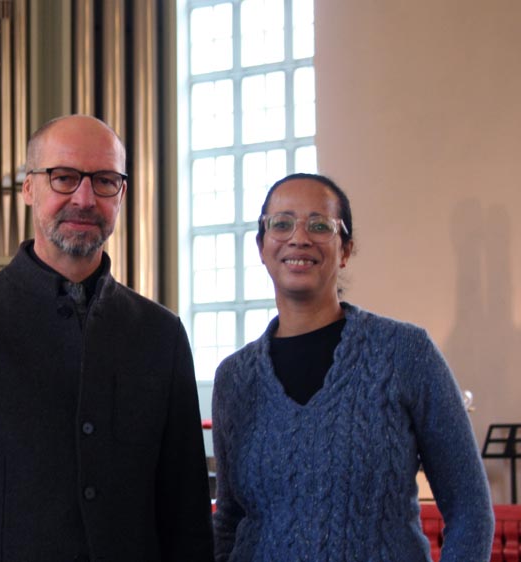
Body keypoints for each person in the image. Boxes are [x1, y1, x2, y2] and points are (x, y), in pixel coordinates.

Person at [0, 114, 215, 561]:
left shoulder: (162, 334)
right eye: (64, 178)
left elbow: (186, 515)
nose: (84, 198)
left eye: (104, 181)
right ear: (29, 187)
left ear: (121, 194)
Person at [211, 173, 494, 561]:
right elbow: (229, 519)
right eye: (281, 223)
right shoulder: (234, 379)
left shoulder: (405, 354)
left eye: (319, 225)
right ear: (261, 246)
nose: (299, 237)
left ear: (345, 249)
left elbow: (470, 509)